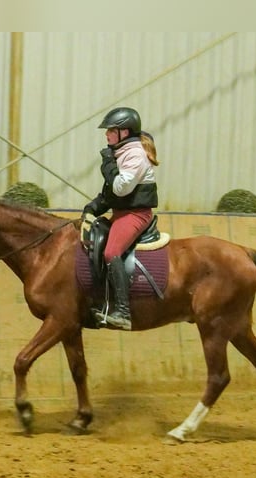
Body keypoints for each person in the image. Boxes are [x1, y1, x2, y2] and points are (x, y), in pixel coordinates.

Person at [82, 106, 159, 330]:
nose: (106, 135)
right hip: (121, 213)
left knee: (111, 251)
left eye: (110, 131)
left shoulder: (135, 154)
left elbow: (120, 188)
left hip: (135, 215)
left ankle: (123, 312)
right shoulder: (122, 152)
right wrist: (93, 207)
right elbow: (109, 193)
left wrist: (107, 164)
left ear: (124, 132)